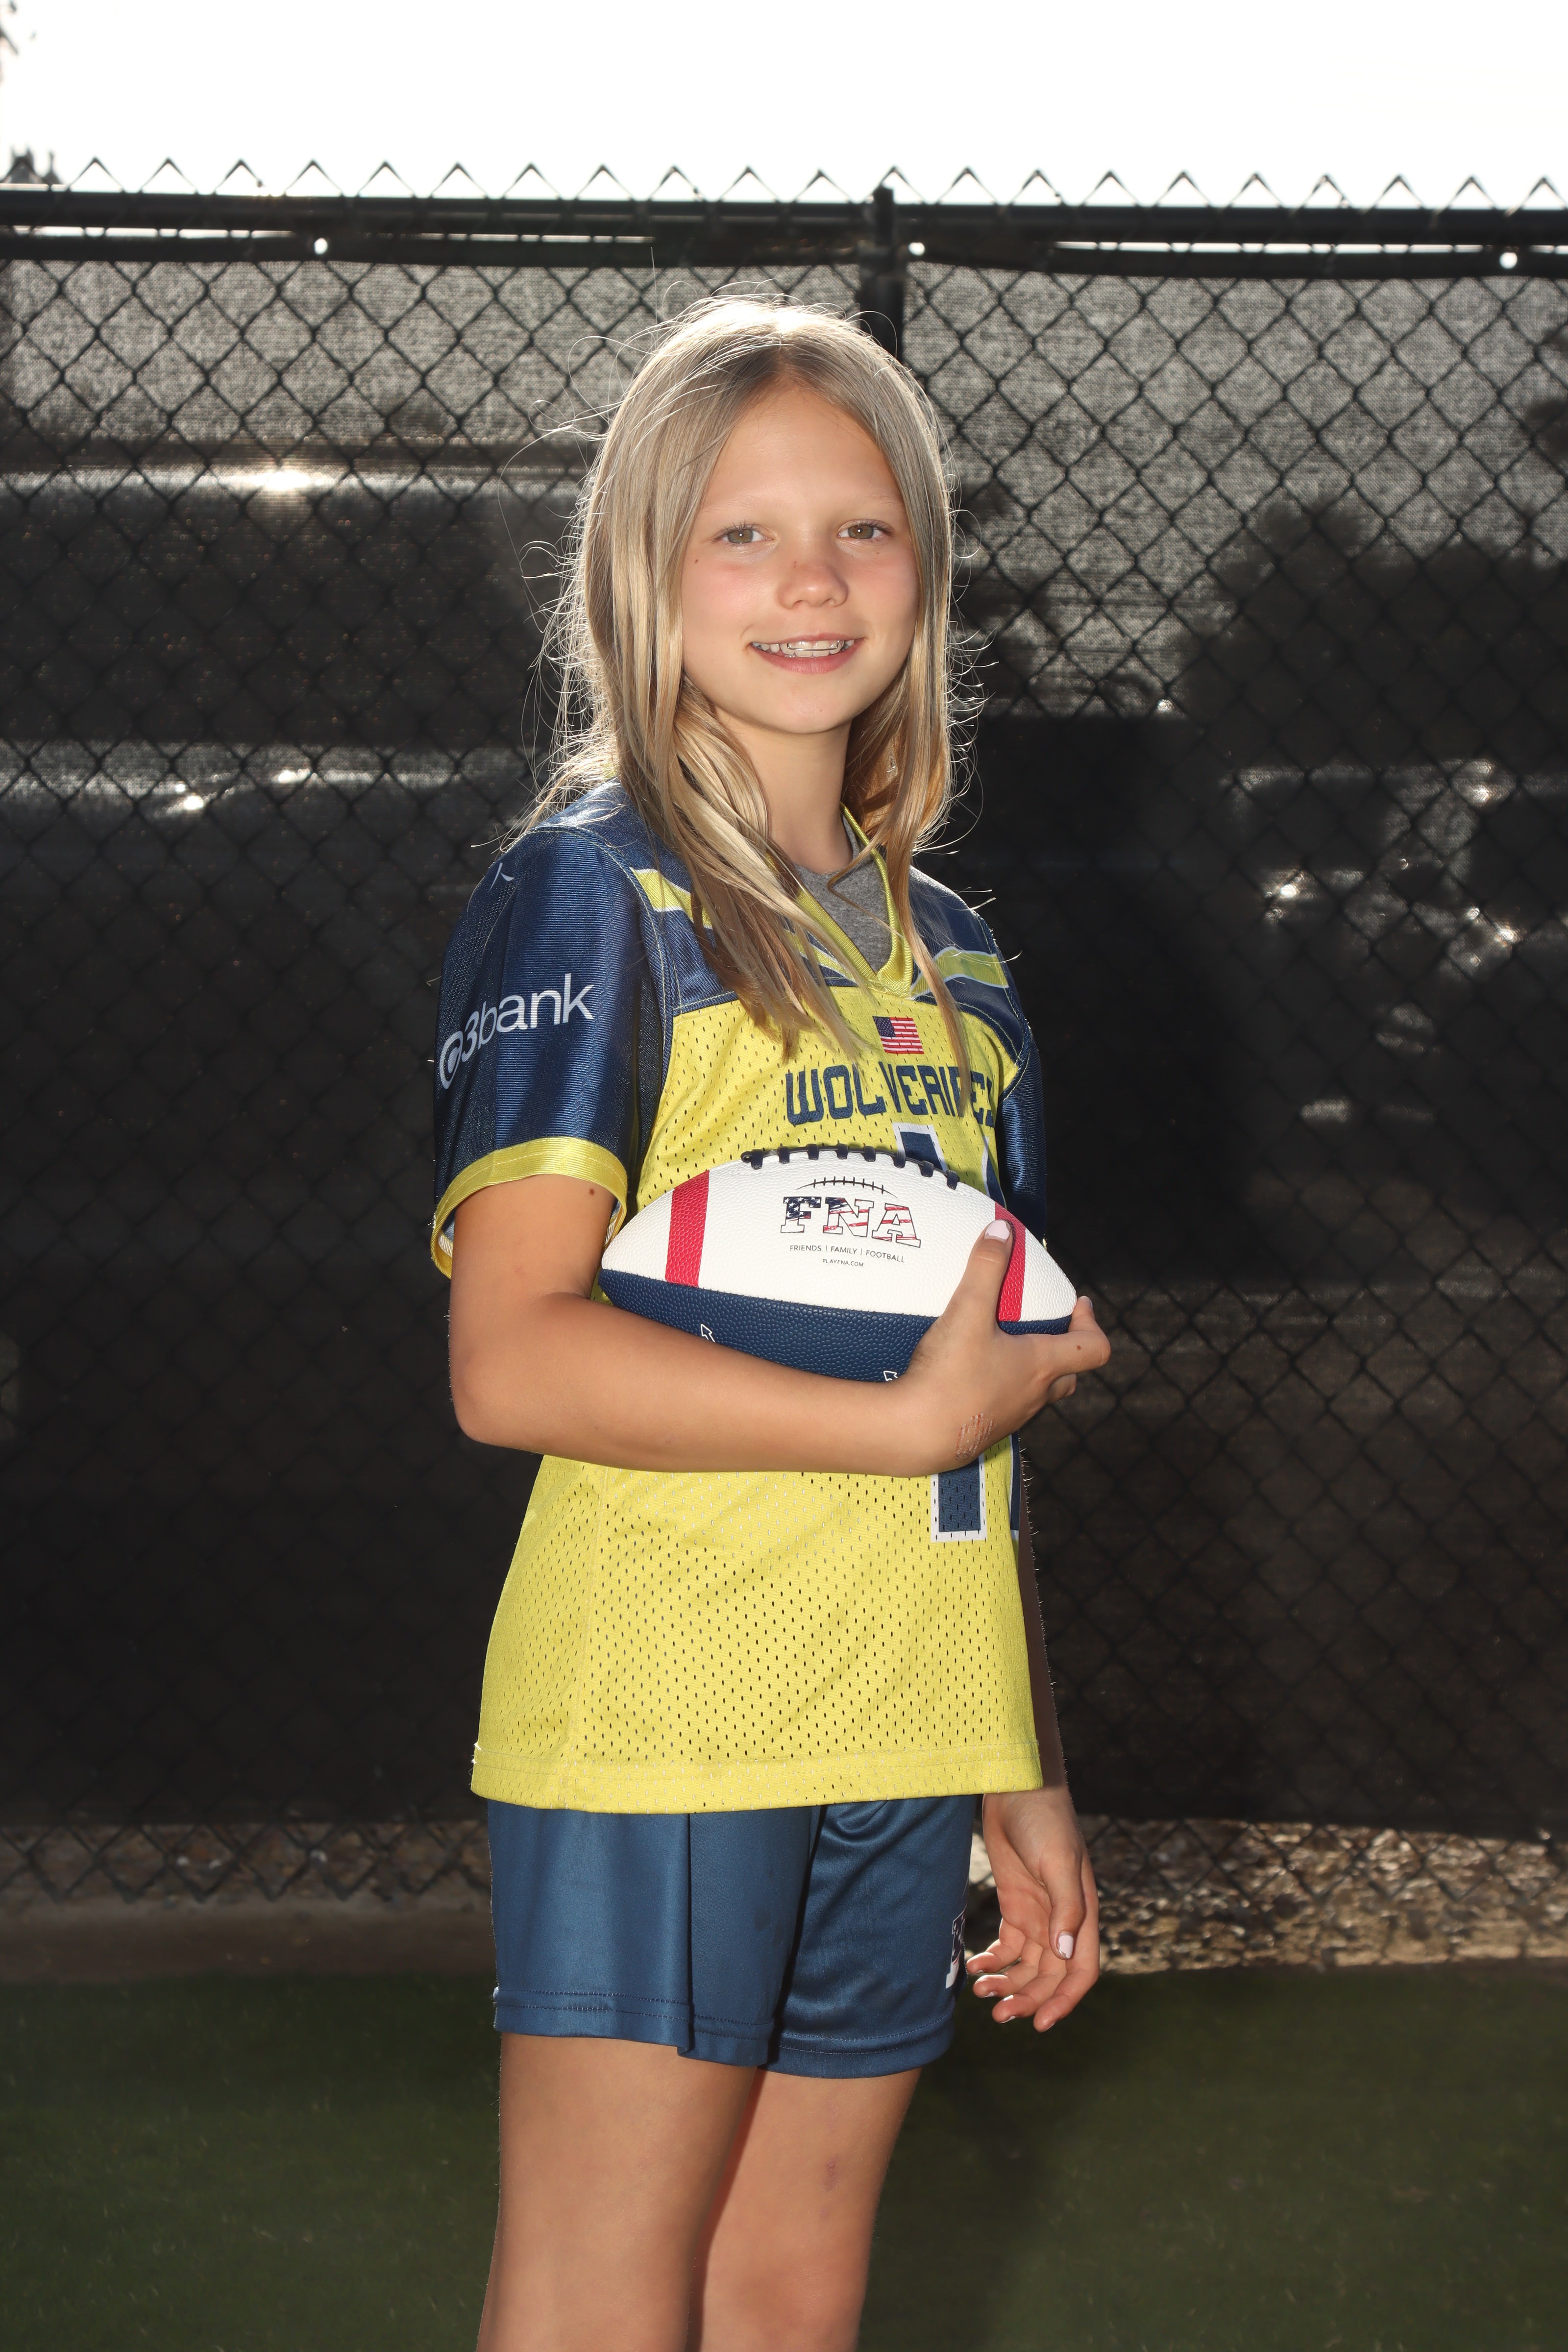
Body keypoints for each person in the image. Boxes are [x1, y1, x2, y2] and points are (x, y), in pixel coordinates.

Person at [432, 295, 1112, 2352]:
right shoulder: (596, 895)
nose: (809, 582)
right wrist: (901, 1428)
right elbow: (512, 1361)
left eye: (859, 529)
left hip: (908, 1709)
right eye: (742, 533)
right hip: (670, 1702)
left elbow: (976, 1398)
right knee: (601, 2298)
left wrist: (1017, 1764)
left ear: (923, 568)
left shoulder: (956, 952)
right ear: (642, 572)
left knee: (790, 2297)